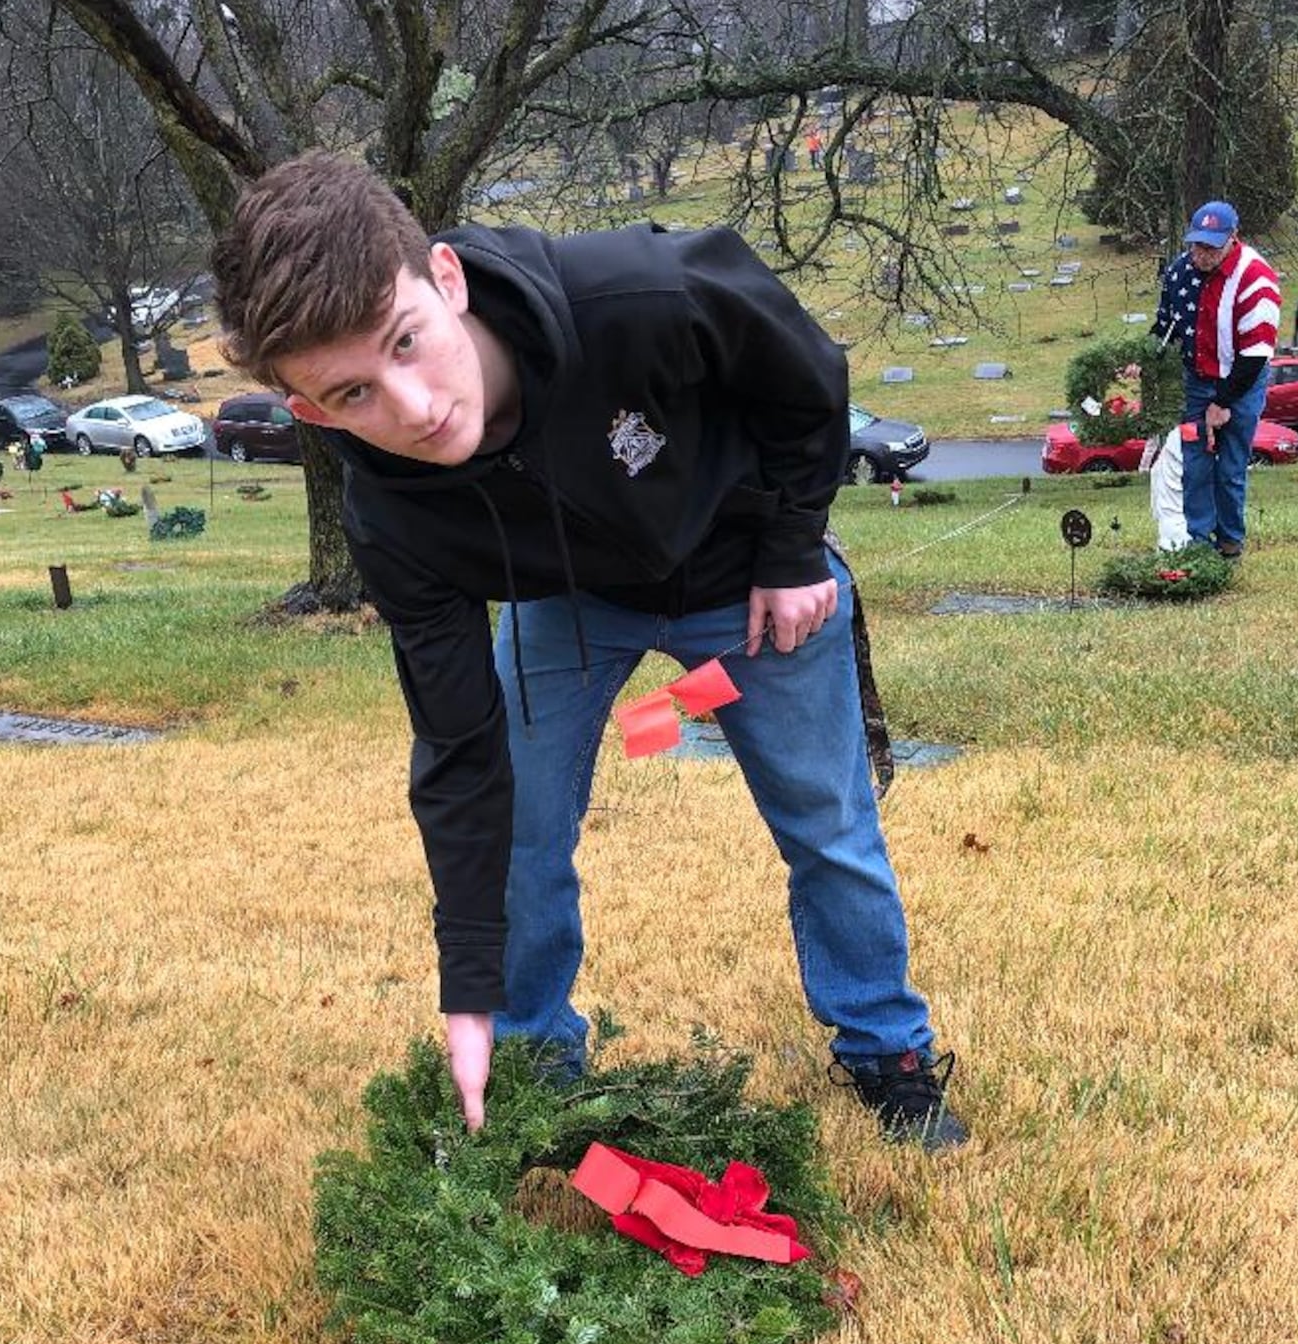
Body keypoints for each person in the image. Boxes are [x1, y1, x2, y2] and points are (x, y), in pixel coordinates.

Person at [212, 152, 968, 1150]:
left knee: (827, 822)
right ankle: (530, 1062)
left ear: (447, 280)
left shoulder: (641, 293)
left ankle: (886, 1050)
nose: (413, 409)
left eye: (407, 343)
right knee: (520, 829)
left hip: (748, 572)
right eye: (351, 395)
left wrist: (791, 549)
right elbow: (456, 749)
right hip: (573, 602)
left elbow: (807, 378)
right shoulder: (388, 517)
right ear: (308, 412)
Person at [1151, 199, 1281, 560]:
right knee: (1195, 464)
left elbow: (1255, 355)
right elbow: (1165, 325)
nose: (1201, 254)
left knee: (1230, 467)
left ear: (1232, 238)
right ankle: (1197, 542)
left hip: (1242, 382)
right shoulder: (1180, 272)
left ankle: (1229, 542)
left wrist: (1223, 403)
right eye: (1196, 244)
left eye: (1210, 246)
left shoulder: (1256, 278)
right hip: (1197, 380)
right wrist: (1144, 357)